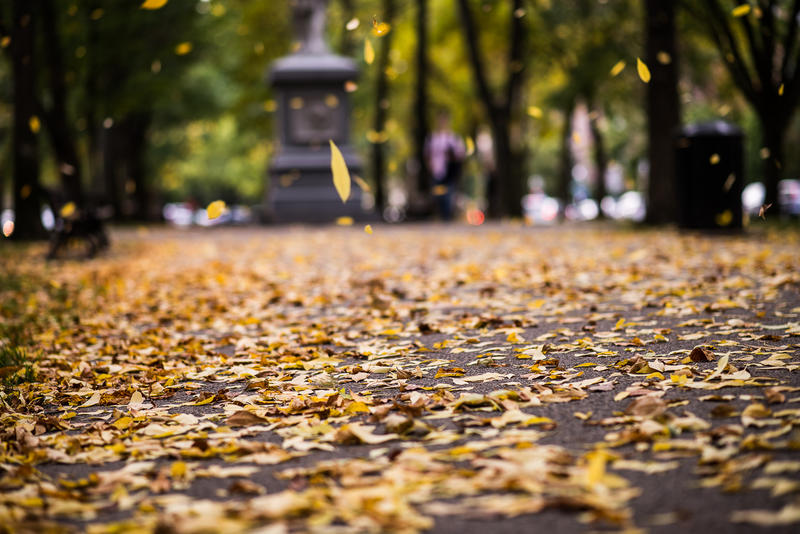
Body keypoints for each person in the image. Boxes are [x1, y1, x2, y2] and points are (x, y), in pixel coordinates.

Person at [425, 111, 465, 221]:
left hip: (449, 172)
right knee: (439, 194)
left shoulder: (454, 138)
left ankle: (447, 217)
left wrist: (451, 156)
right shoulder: (432, 138)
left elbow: (460, 154)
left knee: (448, 194)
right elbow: (427, 154)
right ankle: (442, 215)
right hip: (437, 171)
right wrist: (430, 166)